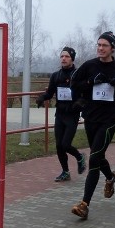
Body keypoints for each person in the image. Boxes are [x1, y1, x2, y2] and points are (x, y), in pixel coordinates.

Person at [69, 31, 115, 220]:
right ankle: (110, 177)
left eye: (104, 45)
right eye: (98, 45)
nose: (100, 48)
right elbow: (75, 84)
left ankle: (84, 204)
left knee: (94, 158)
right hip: (91, 116)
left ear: (112, 48)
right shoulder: (89, 65)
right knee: (98, 156)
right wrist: (90, 82)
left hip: (109, 118)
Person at [35, 46, 86, 182]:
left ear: (72, 59)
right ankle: (65, 172)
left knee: (66, 144)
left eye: (67, 56)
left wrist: (80, 102)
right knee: (59, 146)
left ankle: (79, 156)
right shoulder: (56, 75)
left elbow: (85, 94)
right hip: (60, 114)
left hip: (72, 114)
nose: (63, 59)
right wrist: (42, 98)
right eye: (62, 56)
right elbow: (50, 93)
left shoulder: (78, 74)